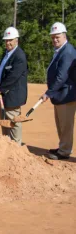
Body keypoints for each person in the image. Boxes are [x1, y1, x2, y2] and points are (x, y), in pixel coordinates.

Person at [41, 22, 76, 160]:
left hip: (66, 95)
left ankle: (65, 151)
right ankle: (63, 147)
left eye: (58, 37)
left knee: (66, 124)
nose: (55, 39)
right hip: (60, 94)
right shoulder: (61, 50)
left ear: (64, 35)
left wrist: (49, 93)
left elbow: (62, 76)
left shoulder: (67, 52)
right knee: (61, 123)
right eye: (53, 37)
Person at [0, 27, 28, 145]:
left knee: (13, 121)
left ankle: (16, 145)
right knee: (4, 121)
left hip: (12, 95)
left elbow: (13, 77)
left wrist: (1, 89)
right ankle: (7, 144)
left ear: (16, 40)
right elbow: (1, 69)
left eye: (10, 40)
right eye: (6, 40)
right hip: (2, 94)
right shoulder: (7, 53)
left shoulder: (19, 56)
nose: (8, 42)